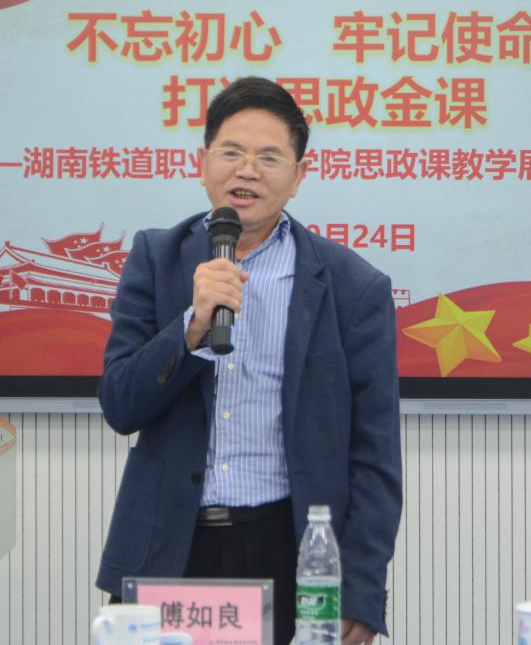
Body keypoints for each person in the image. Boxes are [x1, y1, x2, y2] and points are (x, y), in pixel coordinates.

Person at [96, 77, 402, 645]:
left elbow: (375, 453)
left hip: (287, 548)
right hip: (170, 549)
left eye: (269, 157)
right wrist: (190, 327)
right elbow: (120, 404)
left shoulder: (353, 286)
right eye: (232, 152)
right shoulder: (156, 258)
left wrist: (361, 589)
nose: (247, 171)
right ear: (203, 163)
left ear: (299, 175)